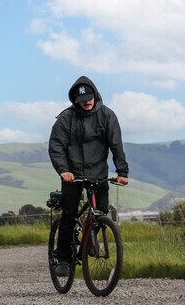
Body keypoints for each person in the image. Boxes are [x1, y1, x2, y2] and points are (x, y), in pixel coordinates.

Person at [48, 75, 129, 277]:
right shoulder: (66, 118)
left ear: (95, 94)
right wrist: (63, 170)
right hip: (72, 174)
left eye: (90, 98)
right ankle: (65, 259)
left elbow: (116, 144)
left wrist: (122, 172)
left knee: (100, 212)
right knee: (69, 214)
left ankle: (93, 238)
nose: (87, 102)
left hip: (98, 173)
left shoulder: (107, 116)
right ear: (75, 101)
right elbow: (56, 146)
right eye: (82, 100)